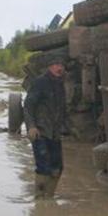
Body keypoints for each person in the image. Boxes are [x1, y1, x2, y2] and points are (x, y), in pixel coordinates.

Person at [23, 56, 67, 199]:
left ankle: (49, 197)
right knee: (43, 167)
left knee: (57, 167)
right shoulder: (40, 83)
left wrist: (65, 128)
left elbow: (62, 108)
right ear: (49, 67)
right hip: (40, 131)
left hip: (54, 133)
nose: (59, 67)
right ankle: (40, 200)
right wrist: (31, 126)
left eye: (61, 65)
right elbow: (28, 106)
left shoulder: (60, 84)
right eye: (56, 64)